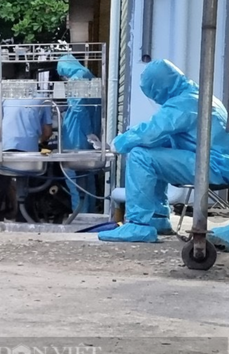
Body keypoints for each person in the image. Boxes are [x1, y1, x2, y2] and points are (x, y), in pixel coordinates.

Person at [98, 59, 229, 243]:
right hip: (216, 162)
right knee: (154, 151)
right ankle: (157, 218)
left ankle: (138, 225)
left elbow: (153, 130)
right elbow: (168, 136)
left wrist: (119, 142)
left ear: (159, 88)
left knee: (140, 156)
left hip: (212, 166)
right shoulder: (199, 96)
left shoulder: (184, 103)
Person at [57, 55, 101, 213]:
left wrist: (88, 132)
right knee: (88, 183)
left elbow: (78, 108)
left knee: (75, 183)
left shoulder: (76, 79)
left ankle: (80, 220)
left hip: (76, 137)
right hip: (89, 138)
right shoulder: (90, 77)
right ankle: (90, 219)